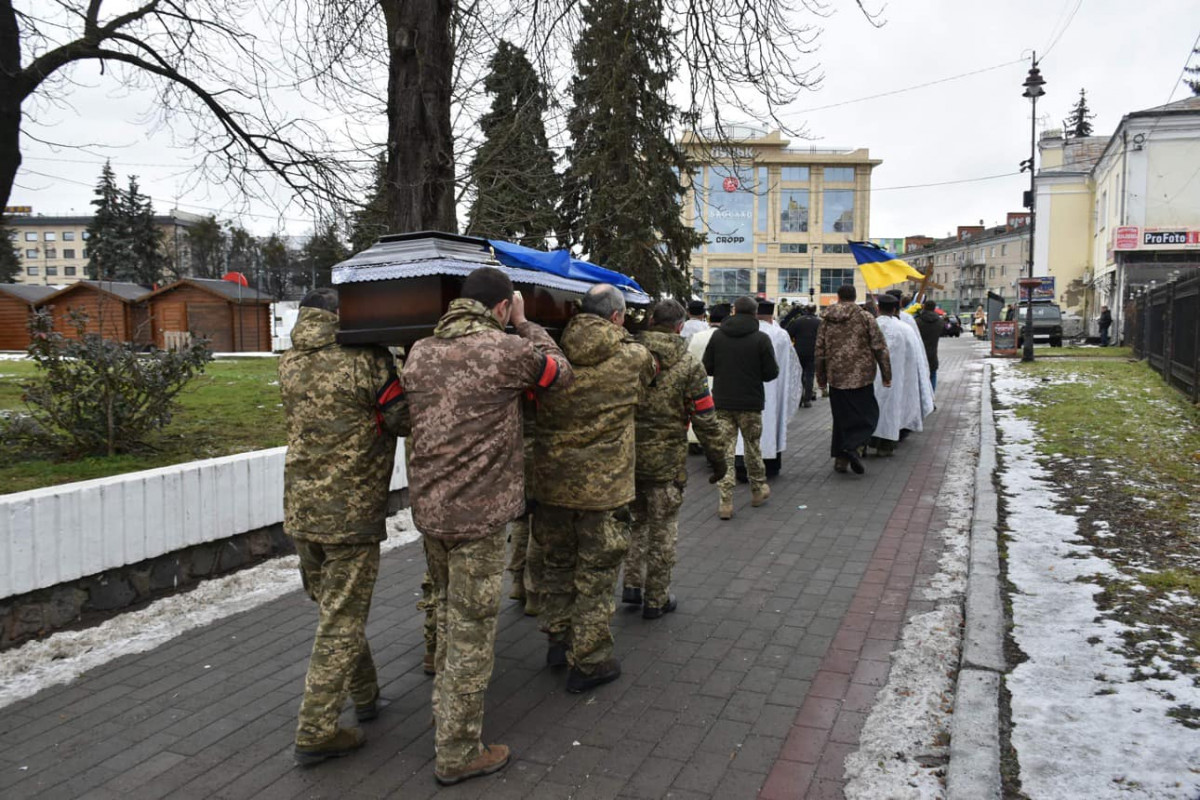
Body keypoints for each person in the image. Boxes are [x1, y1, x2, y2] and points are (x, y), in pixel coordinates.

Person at [403, 267, 572, 786]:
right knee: (474, 629)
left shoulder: (420, 351)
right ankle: (457, 749)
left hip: (431, 512)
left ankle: (446, 710)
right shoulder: (505, 350)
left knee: (450, 614)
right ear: (501, 307)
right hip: (478, 516)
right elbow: (560, 374)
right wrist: (526, 325)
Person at [278, 288, 409, 766]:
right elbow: (403, 418)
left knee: (335, 612)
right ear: (339, 317)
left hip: (301, 511)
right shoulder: (366, 361)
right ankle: (316, 729)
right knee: (341, 620)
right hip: (349, 515)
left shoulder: (290, 361)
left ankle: (367, 694)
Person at [533, 284, 657, 693]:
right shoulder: (632, 357)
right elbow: (647, 385)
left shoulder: (548, 353)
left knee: (558, 564)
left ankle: (558, 637)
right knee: (597, 573)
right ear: (617, 317)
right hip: (603, 490)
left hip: (552, 483)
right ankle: (589, 660)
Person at [621, 299, 727, 618]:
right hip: (666, 461)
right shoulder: (689, 366)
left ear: (651, 321)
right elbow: (706, 418)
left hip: (628, 456)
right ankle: (657, 598)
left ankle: (631, 584)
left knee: (636, 521)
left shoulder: (628, 357)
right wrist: (718, 458)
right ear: (679, 327)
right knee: (663, 528)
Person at [702, 295, 779, 520]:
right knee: (753, 447)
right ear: (755, 313)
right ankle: (757, 490)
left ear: (734, 311)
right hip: (751, 404)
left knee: (726, 451)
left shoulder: (718, 336)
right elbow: (771, 373)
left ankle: (725, 501)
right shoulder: (761, 339)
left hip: (723, 402)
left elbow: (708, 367)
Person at [815, 284, 891, 475]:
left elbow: (819, 351)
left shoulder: (826, 319)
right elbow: (879, 347)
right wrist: (886, 375)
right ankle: (853, 447)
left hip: (836, 376)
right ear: (855, 296)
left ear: (838, 296)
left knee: (841, 418)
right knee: (868, 416)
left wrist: (821, 378)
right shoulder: (866, 317)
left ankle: (841, 460)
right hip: (862, 377)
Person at [870, 294, 935, 455]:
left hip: (871, 377)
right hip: (897, 378)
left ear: (878, 308)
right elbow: (915, 357)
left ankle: (868, 440)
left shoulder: (870, 326)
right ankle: (886, 445)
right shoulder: (905, 329)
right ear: (895, 309)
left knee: (872, 408)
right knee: (892, 408)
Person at [744, 299, 801, 478]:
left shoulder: (747, 332)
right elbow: (792, 366)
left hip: (749, 387)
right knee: (772, 422)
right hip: (775, 387)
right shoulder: (781, 334)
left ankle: (744, 463)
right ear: (771, 314)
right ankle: (771, 464)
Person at [686, 302, 728, 448]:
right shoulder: (726, 337)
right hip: (720, 381)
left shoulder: (698, 336)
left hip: (698, 379)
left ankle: (694, 441)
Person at [786, 305, 820, 408]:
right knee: (810, 375)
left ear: (805, 310)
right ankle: (807, 399)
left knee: (798, 375)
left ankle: (798, 399)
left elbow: (788, 334)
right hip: (813, 352)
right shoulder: (819, 322)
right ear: (815, 310)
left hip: (799, 351)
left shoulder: (797, 321)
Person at [914, 300, 943, 392]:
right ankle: (931, 398)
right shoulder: (939, 321)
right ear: (934, 308)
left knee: (920, 378)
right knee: (932, 375)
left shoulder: (917, 321)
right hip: (933, 354)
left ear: (924, 307)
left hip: (919, 354)